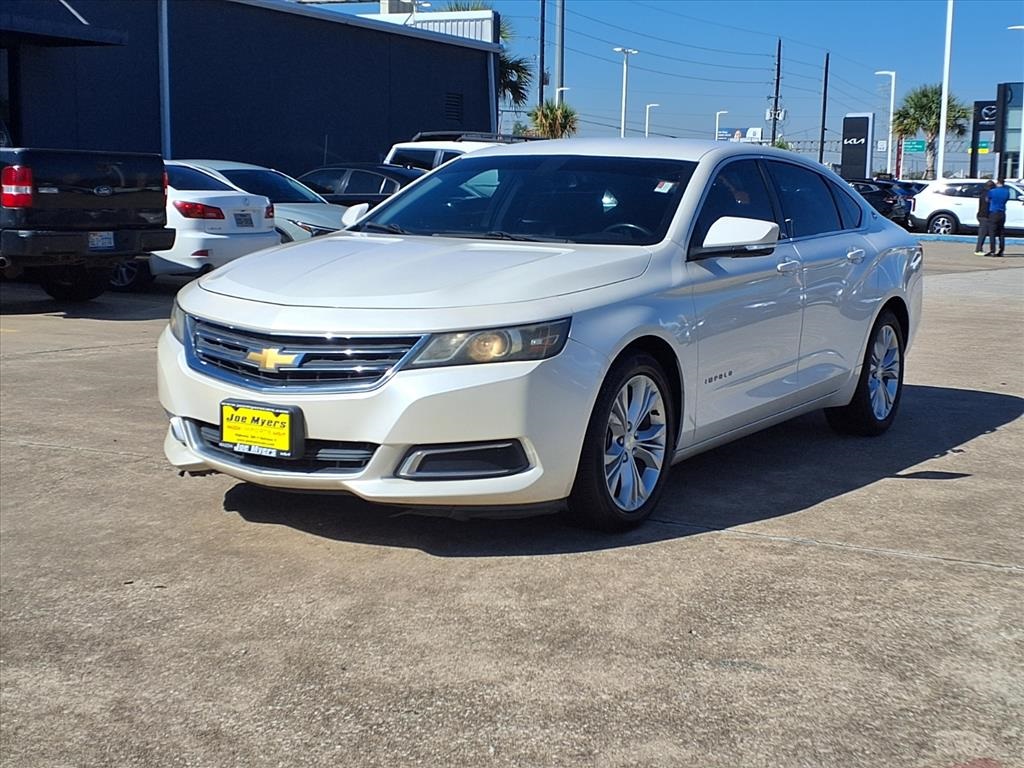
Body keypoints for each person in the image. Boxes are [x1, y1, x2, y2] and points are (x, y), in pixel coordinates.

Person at [986, 178, 1010, 257]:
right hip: (1002, 212)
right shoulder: (1007, 191)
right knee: (1001, 233)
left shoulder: (992, 191)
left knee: (992, 233)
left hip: (994, 212)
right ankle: (1001, 250)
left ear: (997, 183)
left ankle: (992, 251)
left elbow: (987, 199)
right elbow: (1006, 200)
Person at [974, 180, 995, 256]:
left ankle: (979, 248)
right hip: (984, 216)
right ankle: (978, 249)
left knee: (983, 233)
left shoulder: (983, 193)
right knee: (982, 233)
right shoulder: (988, 195)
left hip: (981, 215)